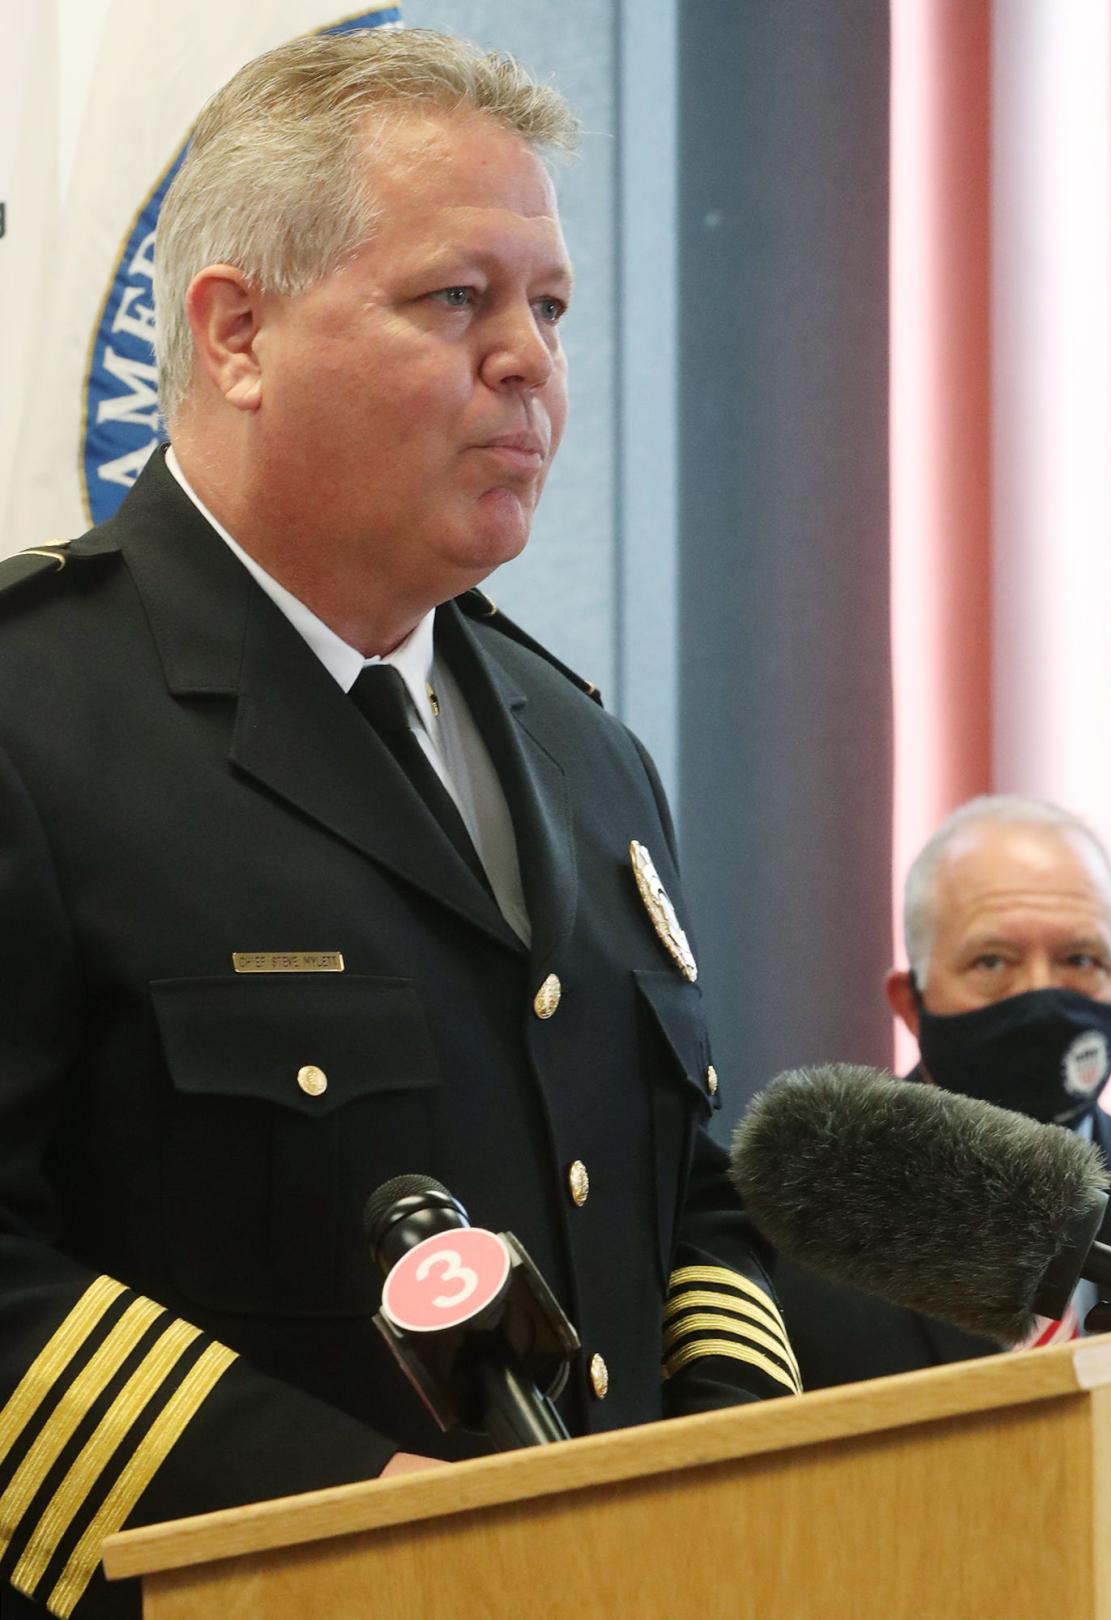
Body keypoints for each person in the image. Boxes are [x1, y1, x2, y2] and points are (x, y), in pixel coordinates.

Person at [0, 32, 797, 1619]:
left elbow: (683, 1200)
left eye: (550, 310)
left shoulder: (586, 756)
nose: (531, 363)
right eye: (457, 301)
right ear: (235, 333)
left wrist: (737, 1495)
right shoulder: (37, 719)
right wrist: (368, 1530)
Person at [777, 794, 1111, 1388]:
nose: (1041, 996)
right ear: (910, 1002)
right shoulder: (789, 1233)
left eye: (1080, 958)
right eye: (993, 962)